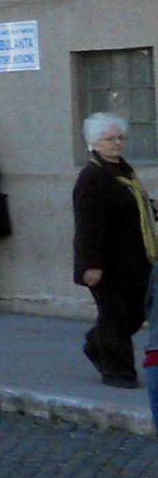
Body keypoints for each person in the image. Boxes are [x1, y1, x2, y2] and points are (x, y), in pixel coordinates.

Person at [72, 112, 155, 388]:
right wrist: (91, 265)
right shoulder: (92, 177)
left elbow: (133, 204)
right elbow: (88, 225)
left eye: (120, 138)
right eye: (110, 139)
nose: (118, 143)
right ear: (94, 143)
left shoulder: (123, 170)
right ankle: (118, 372)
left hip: (135, 259)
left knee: (137, 311)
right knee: (115, 318)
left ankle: (97, 343)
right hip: (107, 263)